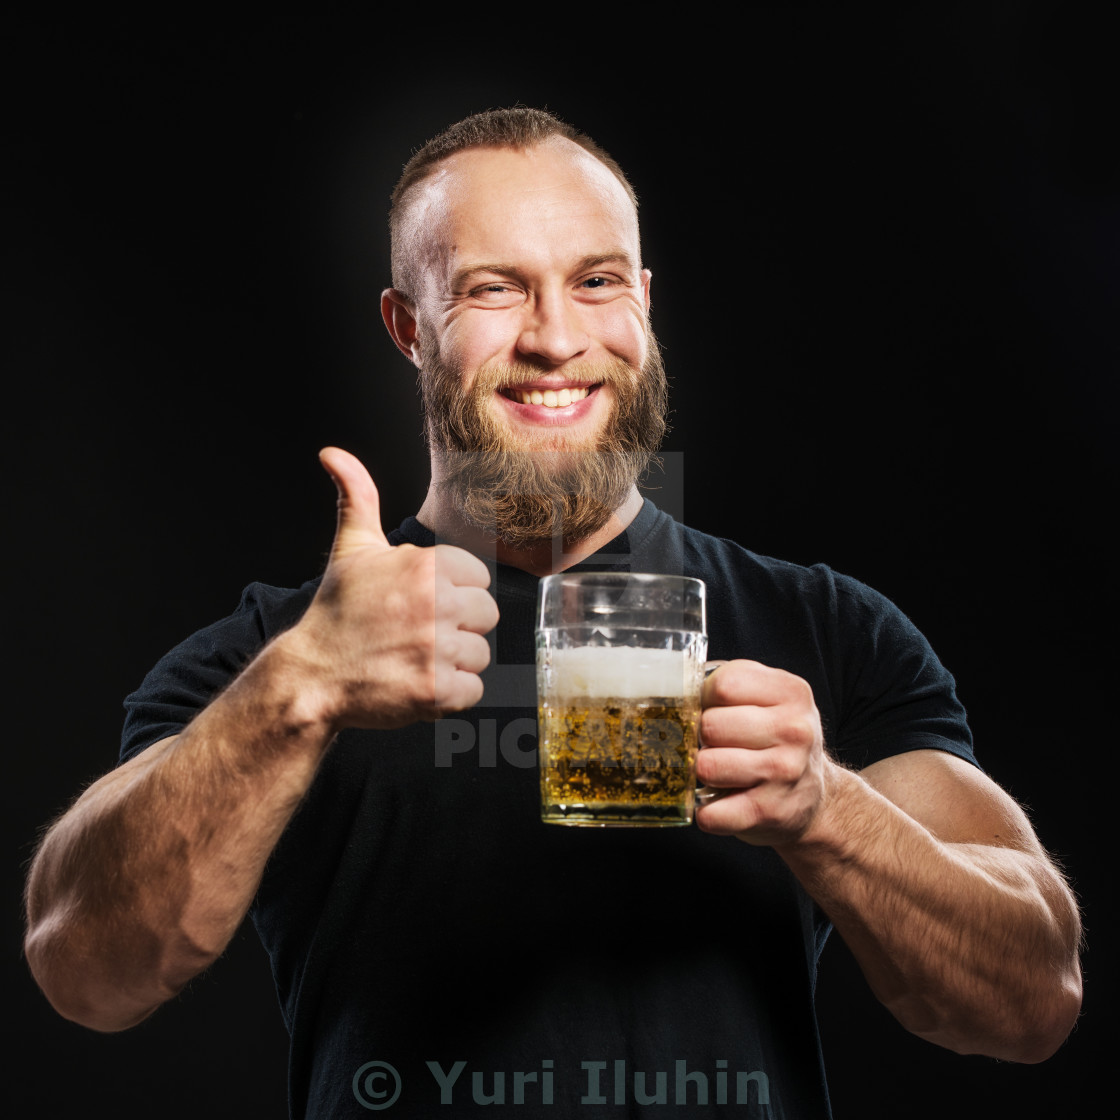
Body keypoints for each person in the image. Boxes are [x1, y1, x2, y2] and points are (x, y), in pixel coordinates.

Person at [23, 108, 1082, 1118]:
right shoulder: (279, 654)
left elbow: (1032, 1000)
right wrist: (295, 695)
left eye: (595, 280)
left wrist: (827, 810)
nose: (556, 337)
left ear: (644, 302)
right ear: (407, 326)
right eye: (494, 289)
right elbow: (84, 968)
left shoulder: (825, 627)